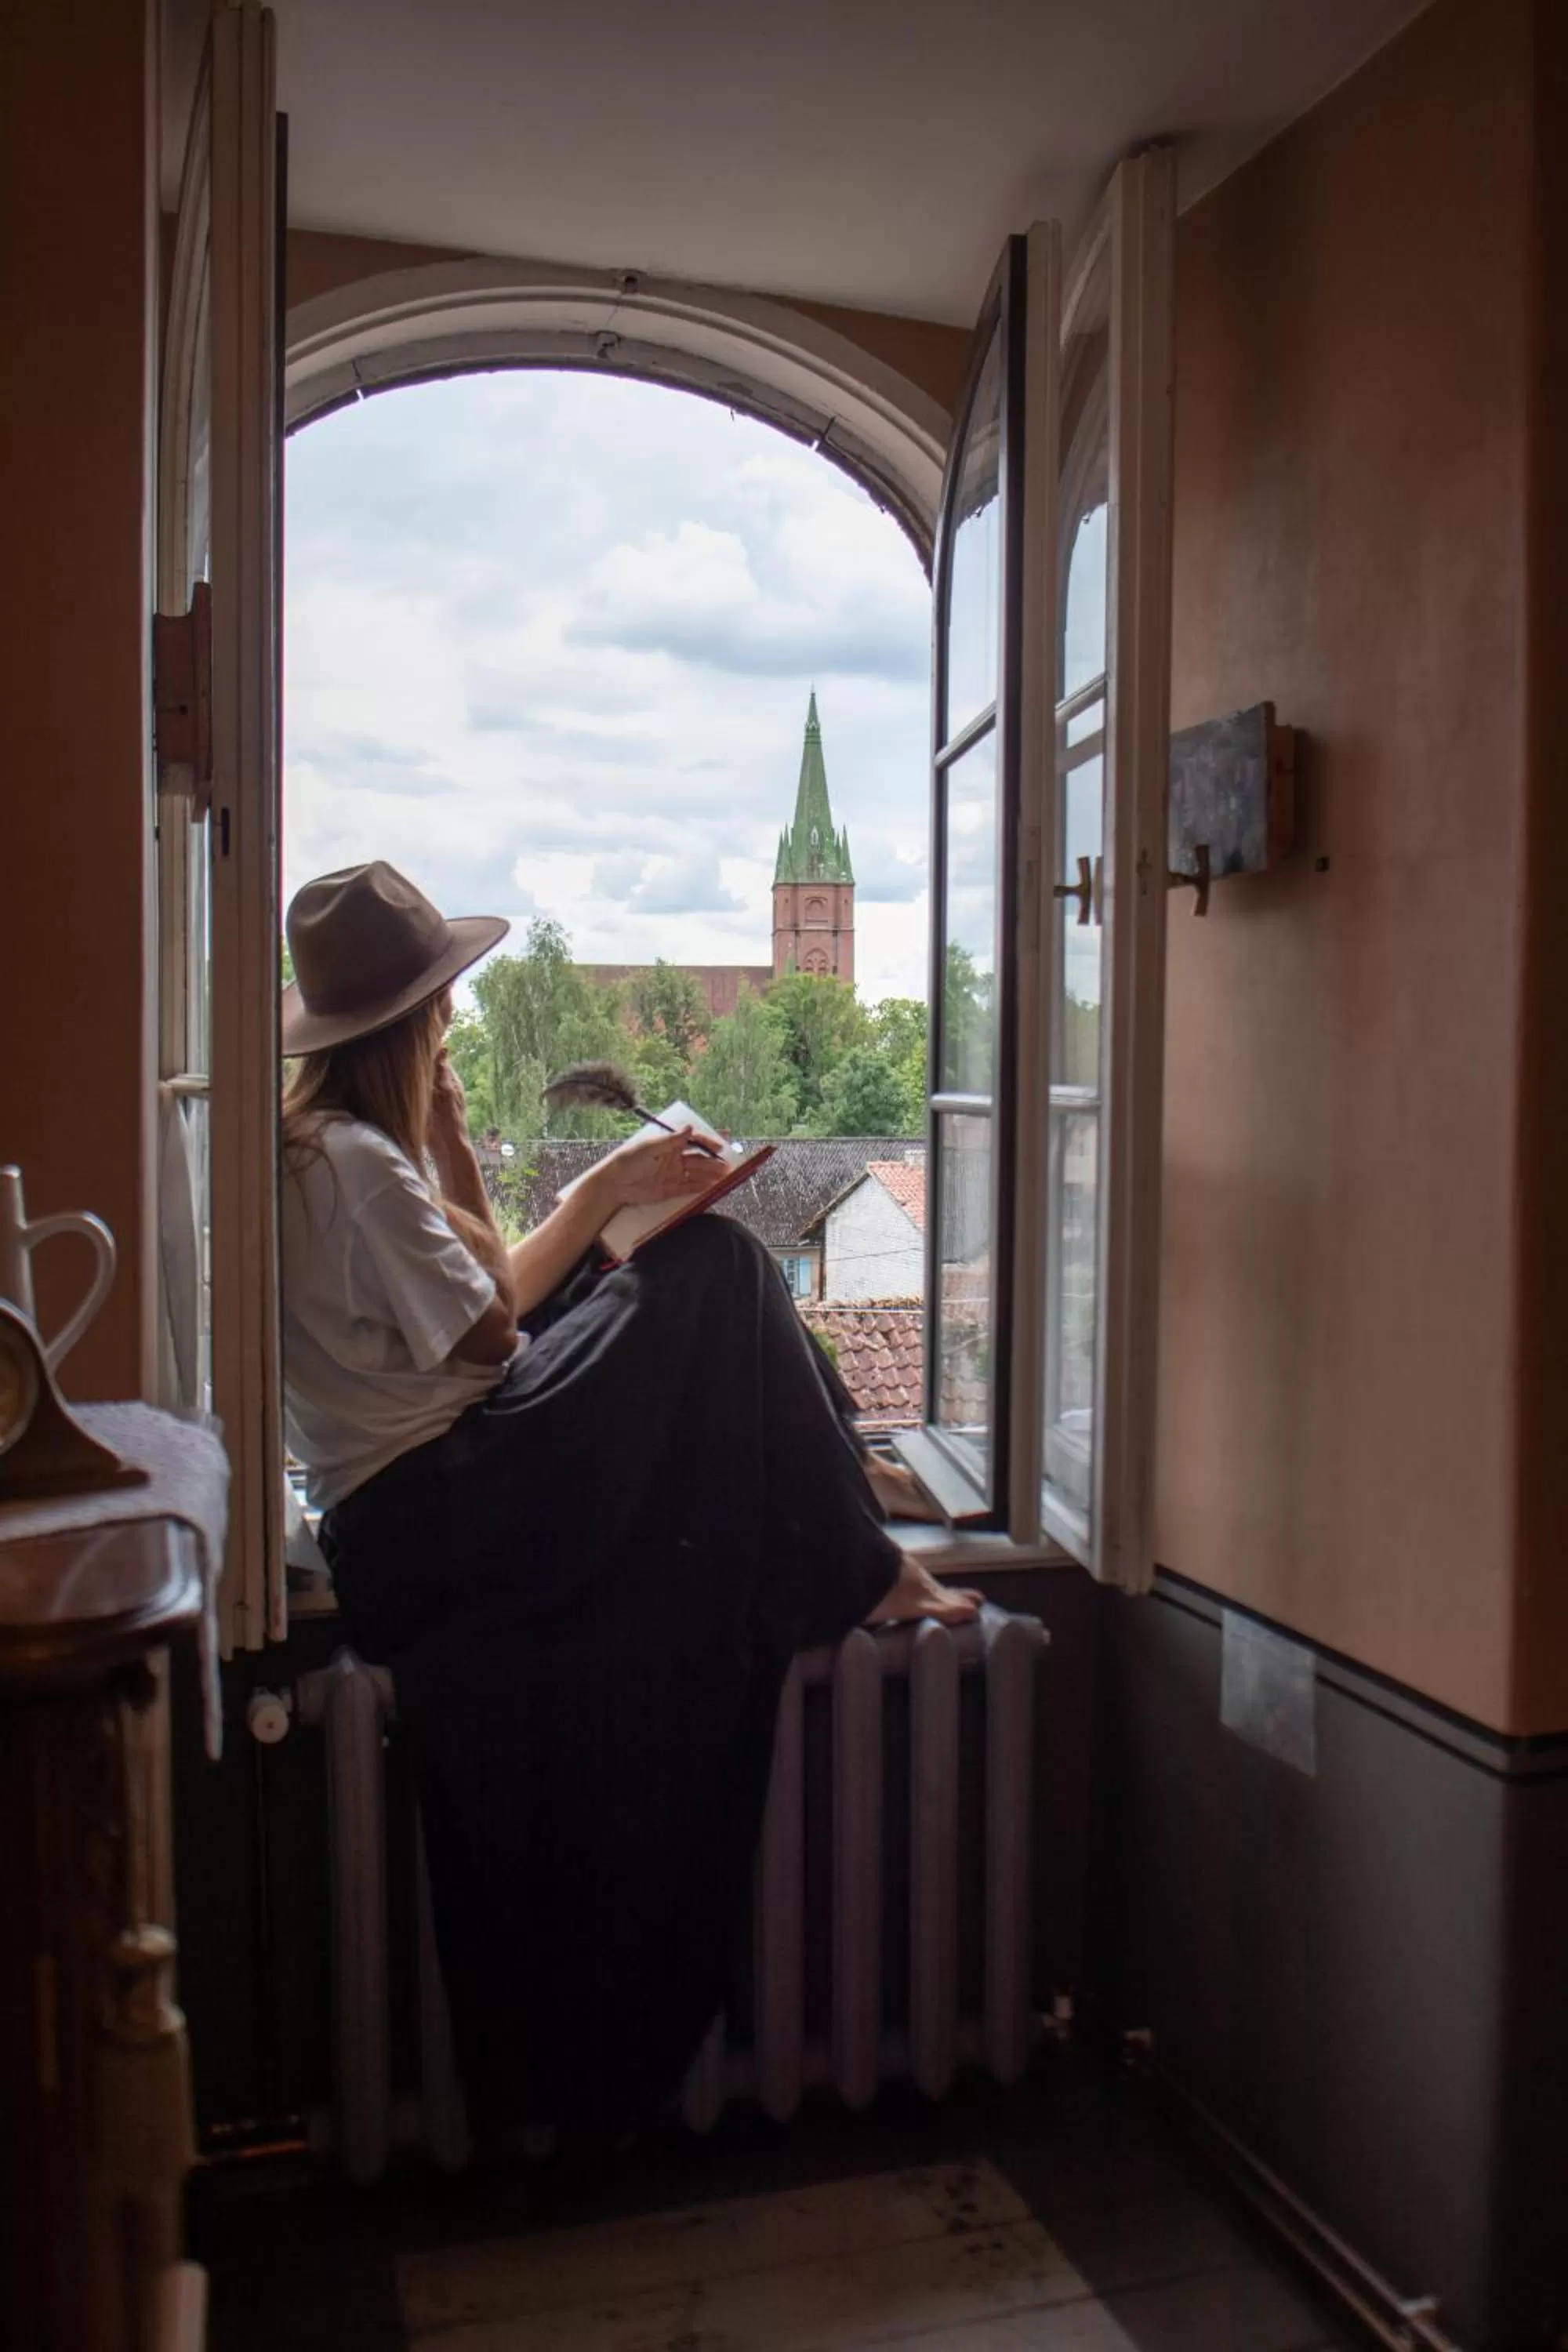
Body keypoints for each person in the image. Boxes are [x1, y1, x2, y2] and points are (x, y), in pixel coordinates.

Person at [279, 861, 975, 2141]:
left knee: (699, 1267)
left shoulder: (332, 1152)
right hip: (448, 1505)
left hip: (419, 1504)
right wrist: (603, 1194)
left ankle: (853, 1491)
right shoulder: (355, 1168)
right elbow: (495, 1333)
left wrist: (453, 1142)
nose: (451, 1022)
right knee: (714, 1268)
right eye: (439, 1006)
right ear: (406, 1024)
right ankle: (864, 1530)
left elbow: (479, 1300)